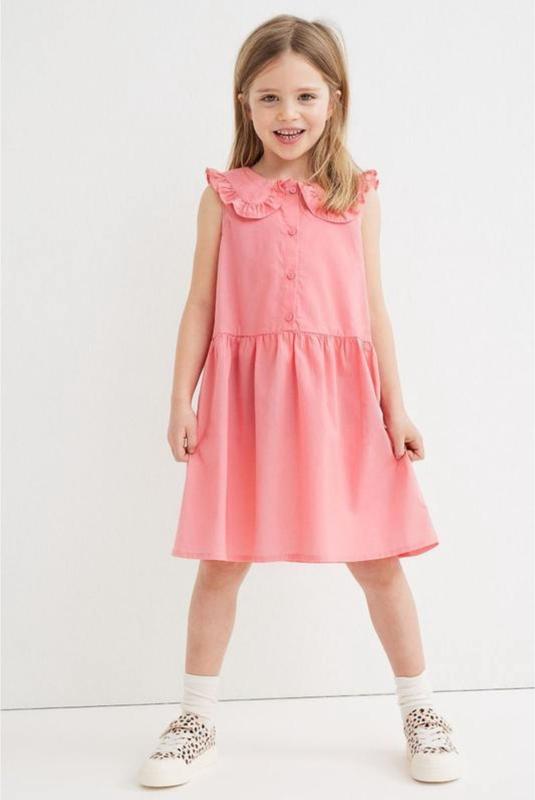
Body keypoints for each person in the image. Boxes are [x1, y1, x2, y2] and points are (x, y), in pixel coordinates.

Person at [138, 13, 463, 789]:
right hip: (243, 405)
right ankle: (195, 719)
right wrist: (180, 398)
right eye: (269, 97)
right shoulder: (225, 198)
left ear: (335, 99)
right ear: (243, 104)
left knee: (377, 560)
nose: (287, 113)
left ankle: (421, 708)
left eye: (305, 96)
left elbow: (372, 309)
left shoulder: (355, 197)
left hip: (343, 403)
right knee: (221, 562)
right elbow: (198, 306)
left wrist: (395, 407)